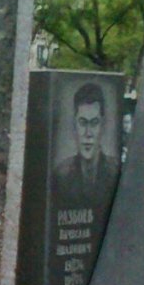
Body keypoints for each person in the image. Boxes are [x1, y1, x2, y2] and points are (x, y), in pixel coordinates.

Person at [52, 81, 119, 212]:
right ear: (74, 124)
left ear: (102, 125)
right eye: (83, 123)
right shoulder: (61, 175)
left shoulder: (115, 172)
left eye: (94, 123)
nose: (88, 133)